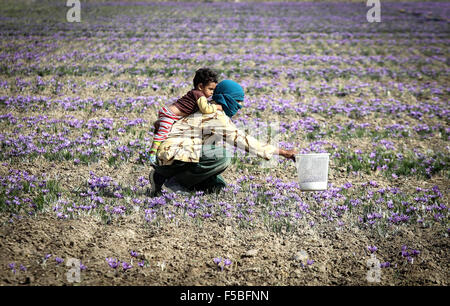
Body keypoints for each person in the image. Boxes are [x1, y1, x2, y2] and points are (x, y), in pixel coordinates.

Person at [148, 80, 297, 196]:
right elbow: (242, 140)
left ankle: (159, 177)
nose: (239, 106)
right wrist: (283, 152)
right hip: (174, 153)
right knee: (222, 156)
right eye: (237, 101)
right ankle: (174, 183)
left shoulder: (209, 108)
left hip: (180, 154)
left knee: (217, 187)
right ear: (226, 98)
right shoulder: (215, 115)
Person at [148, 68, 222, 165]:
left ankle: (159, 123)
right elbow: (205, 109)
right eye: (210, 89)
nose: (212, 92)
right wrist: (216, 107)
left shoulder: (196, 93)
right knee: (163, 134)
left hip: (173, 115)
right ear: (200, 86)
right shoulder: (199, 95)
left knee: (171, 131)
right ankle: (152, 153)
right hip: (170, 115)